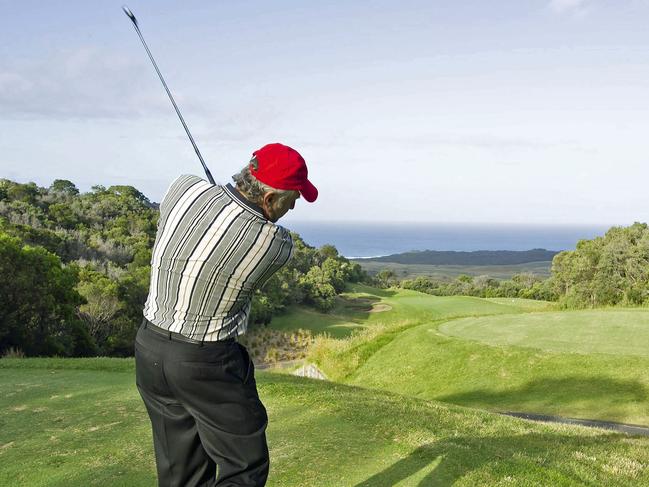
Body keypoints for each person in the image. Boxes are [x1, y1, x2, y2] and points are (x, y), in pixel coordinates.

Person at [134, 143, 318, 487]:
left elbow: (205, 210)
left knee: (180, 473)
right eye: (291, 200)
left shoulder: (184, 188)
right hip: (204, 361)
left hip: (149, 349)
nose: (290, 208)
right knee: (244, 466)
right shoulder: (276, 244)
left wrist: (219, 200)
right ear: (269, 200)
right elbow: (253, 228)